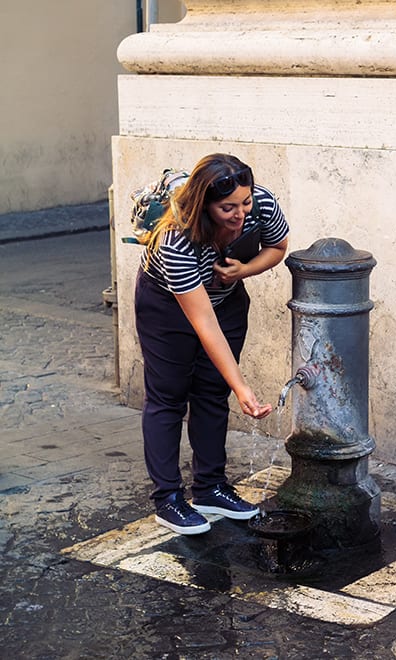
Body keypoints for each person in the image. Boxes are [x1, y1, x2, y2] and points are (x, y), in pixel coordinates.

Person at [134, 153, 289, 535]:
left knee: (211, 391)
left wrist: (244, 270)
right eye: (227, 208)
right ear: (204, 205)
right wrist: (244, 388)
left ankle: (210, 488)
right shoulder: (176, 238)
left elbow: (278, 246)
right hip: (167, 306)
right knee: (169, 397)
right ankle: (168, 499)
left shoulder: (261, 203)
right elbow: (203, 323)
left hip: (227, 299)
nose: (240, 214)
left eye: (245, 202)